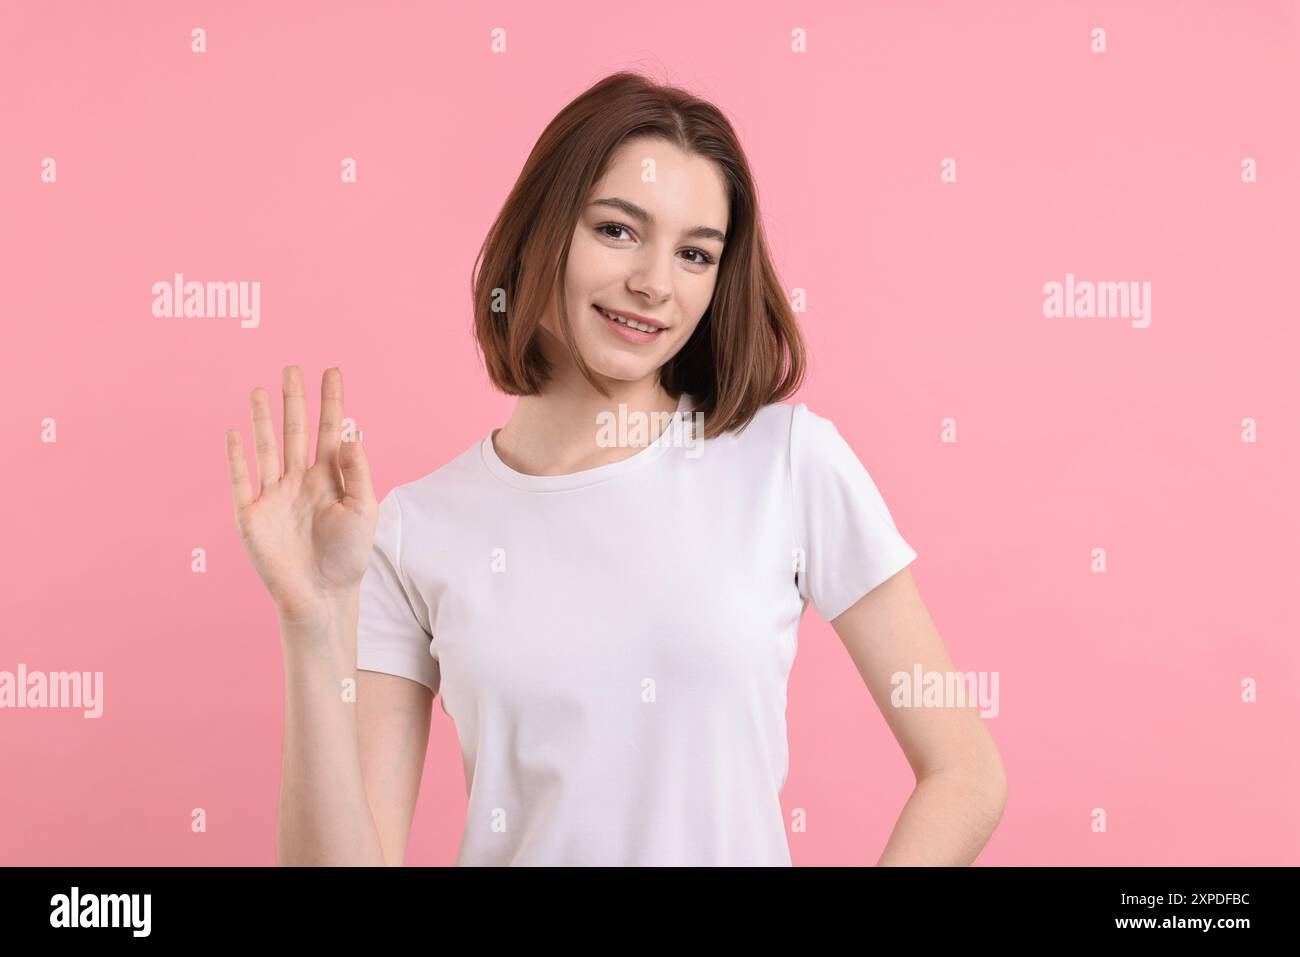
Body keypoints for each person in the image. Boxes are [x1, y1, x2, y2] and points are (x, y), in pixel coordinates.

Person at [225, 71, 1007, 867]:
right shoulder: (411, 529)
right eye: (618, 230)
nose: (654, 284)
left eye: (695, 253)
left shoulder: (786, 462)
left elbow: (966, 771)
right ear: (544, 230)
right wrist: (310, 621)